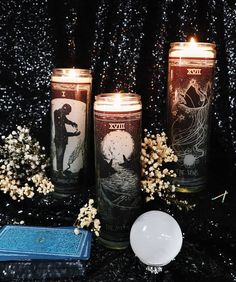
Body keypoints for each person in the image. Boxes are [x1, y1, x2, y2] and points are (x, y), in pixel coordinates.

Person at [54, 103, 80, 173]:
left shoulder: (60, 114)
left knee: (60, 155)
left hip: (61, 140)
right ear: (64, 110)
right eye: (68, 112)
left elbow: (66, 120)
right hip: (60, 140)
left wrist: (72, 123)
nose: (68, 114)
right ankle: (59, 171)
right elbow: (62, 133)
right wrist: (74, 134)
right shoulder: (58, 114)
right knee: (60, 155)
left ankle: (60, 171)